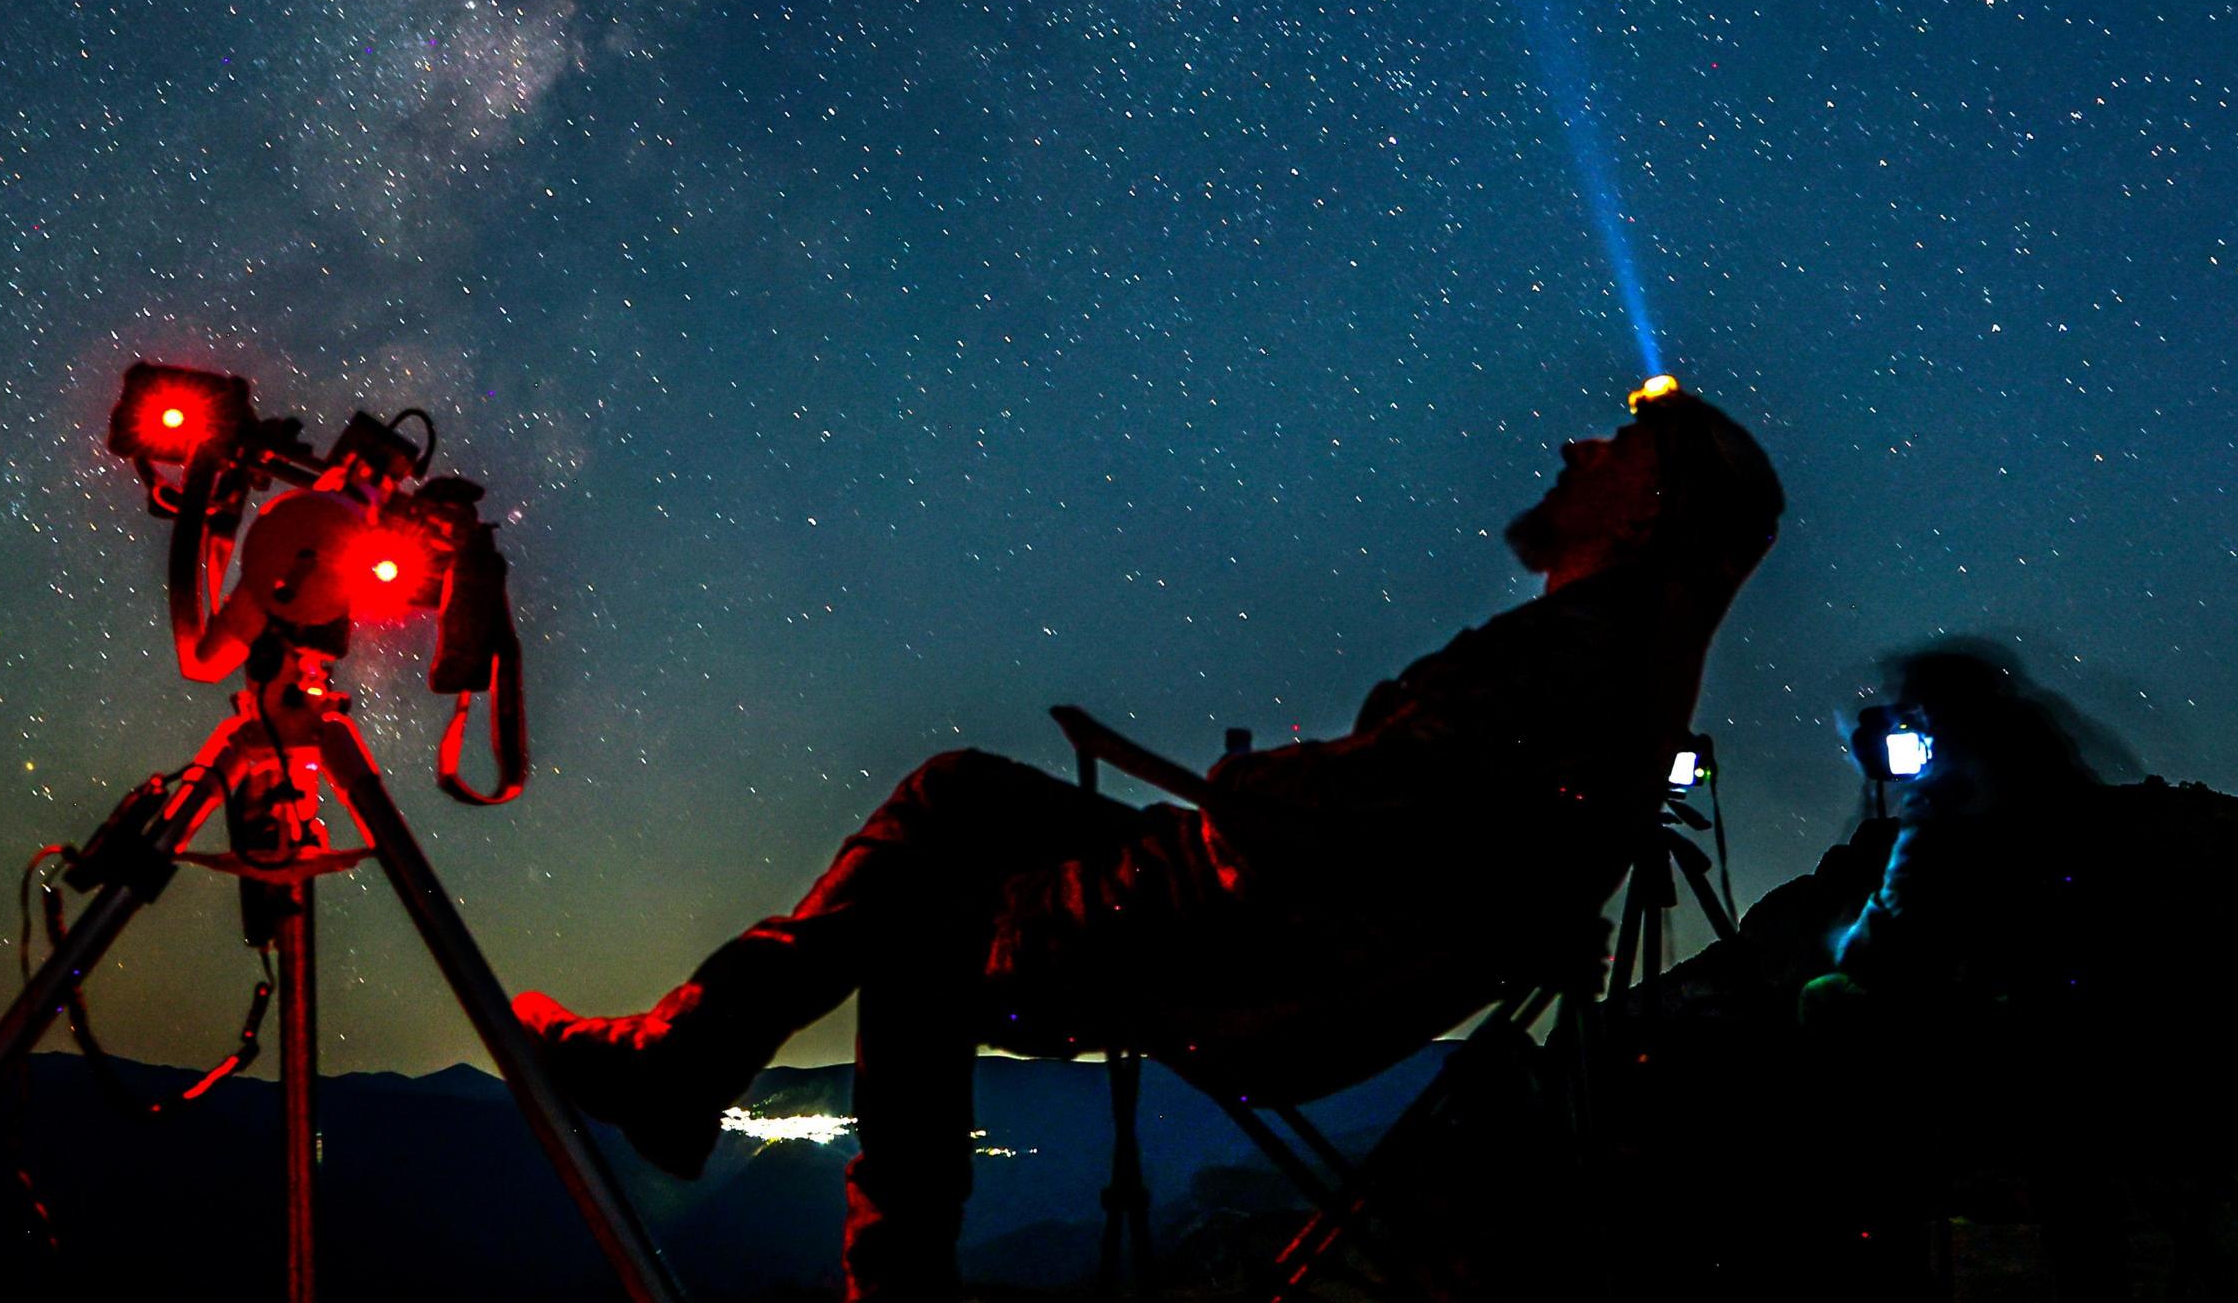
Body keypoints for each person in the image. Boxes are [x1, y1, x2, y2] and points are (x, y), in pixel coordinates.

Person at [514, 384, 1785, 1301]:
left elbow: (1371, 800)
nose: (1575, 444)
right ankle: (690, 1056)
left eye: (1616, 444)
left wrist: (1249, 781)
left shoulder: (1574, 658)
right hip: (1288, 916)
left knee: (919, 936)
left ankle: (835, 1226)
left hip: (1265, 951)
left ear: (1650, 507)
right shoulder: (1604, 669)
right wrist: (1268, 797)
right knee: (958, 792)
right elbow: (1406, 815)